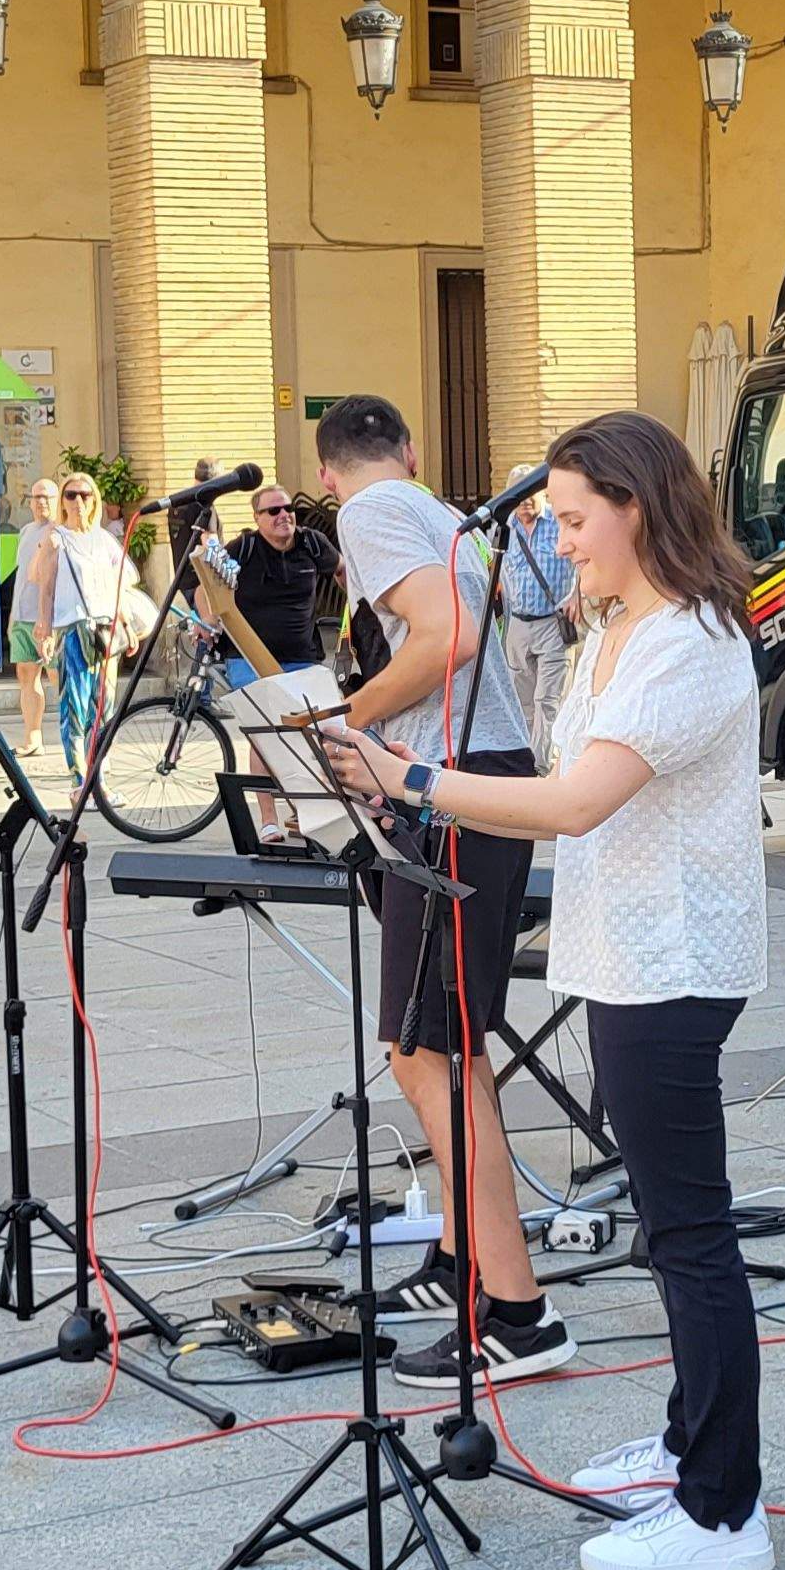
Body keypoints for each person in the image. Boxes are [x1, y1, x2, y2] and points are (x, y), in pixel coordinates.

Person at [317, 410, 775, 1570]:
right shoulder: (625, 625)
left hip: (672, 963)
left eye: (575, 522)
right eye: (555, 522)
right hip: (628, 956)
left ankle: (724, 1513)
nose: (560, 544)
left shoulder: (686, 642)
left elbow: (574, 802)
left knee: (690, 1237)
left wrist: (411, 775)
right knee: (678, 1235)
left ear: (638, 507)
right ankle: (686, 1446)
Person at [301, 396, 562, 1388]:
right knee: (451, 1048)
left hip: (443, 788)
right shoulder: (436, 510)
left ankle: (518, 1314)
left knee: (422, 1059)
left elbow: (445, 637)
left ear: (327, 474)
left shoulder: (366, 516)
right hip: (476, 776)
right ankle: (463, 1261)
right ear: (409, 449)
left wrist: (345, 724)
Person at [52, 474, 132, 766]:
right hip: (73, 629)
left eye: (85, 495)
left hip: (105, 630)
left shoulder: (103, 539)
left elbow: (119, 581)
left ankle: (98, 777)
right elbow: (43, 584)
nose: (78, 502)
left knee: (103, 707)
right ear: (62, 500)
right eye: (71, 495)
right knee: (74, 706)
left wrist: (125, 622)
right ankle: (77, 778)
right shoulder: (57, 538)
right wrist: (43, 628)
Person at [220, 482, 334, 685]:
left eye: (288, 508)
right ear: (257, 517)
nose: (283, 515)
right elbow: (205, 587)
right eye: (273, 511)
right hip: (248, 662)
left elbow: (342, 570)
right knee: (263, 716)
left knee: (314, 716)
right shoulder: (243, 548)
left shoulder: (312, 542)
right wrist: (206, 620)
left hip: (302, 660)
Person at [496, 501, 578, 749]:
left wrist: (577, 594)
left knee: (547, 699)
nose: (525, 502)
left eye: (531, 495)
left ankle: (540, 766)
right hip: (518, 625)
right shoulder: (504, 527)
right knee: (522, 699)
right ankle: (526, 755)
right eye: (519, 497)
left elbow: (584, 554)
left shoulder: (558, 521)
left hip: (552, 623)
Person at [7, 479, 69, 762]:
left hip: (50, 620)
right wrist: (12, 617)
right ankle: (33, 737)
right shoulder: (26, 532)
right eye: (36, 497)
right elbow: (22, 577)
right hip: (23, 616)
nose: (41, 502)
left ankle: (75, 735)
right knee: (26, 675)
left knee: (57, 676)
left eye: (46, 497)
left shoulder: (61, 533)